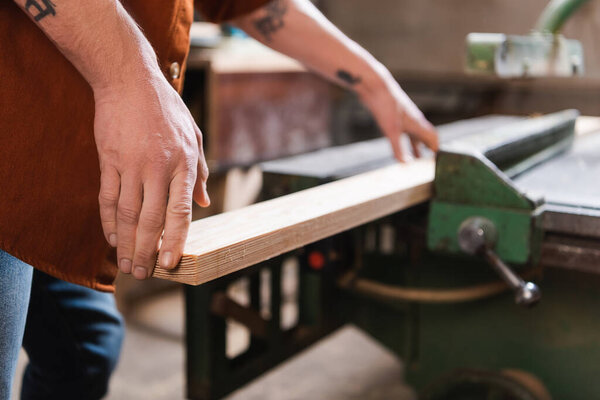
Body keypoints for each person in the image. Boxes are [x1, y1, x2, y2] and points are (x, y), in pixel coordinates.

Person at [0, 0, 438, 399]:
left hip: (46, 157)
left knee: (85, 352)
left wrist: (374, 81)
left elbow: (257, 5)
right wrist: (130, 79)